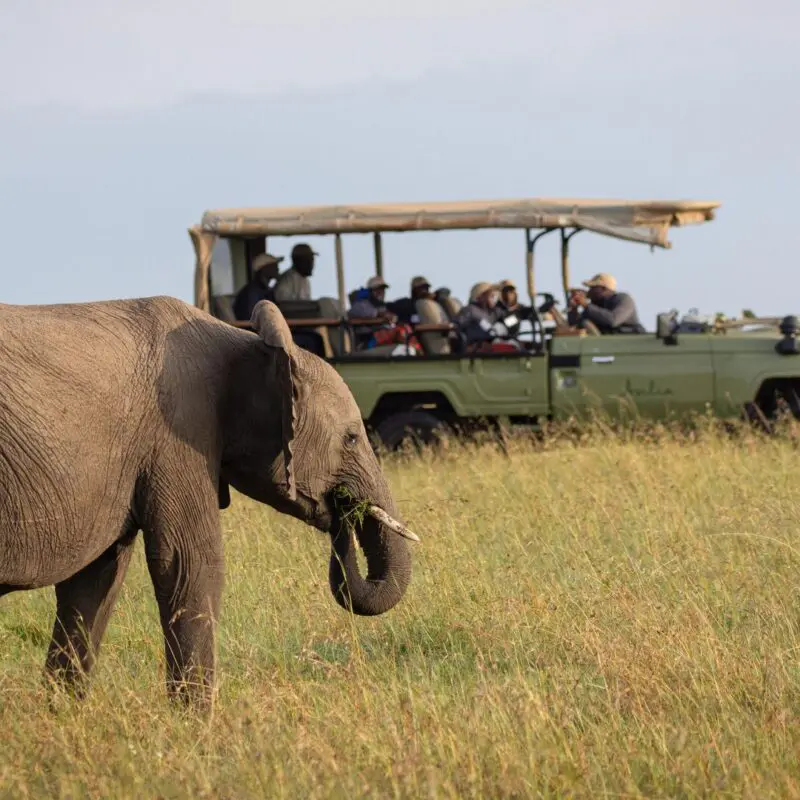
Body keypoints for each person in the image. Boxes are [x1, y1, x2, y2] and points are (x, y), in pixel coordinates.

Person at [348, 276, 420, 353]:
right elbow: (370, 313)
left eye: (382, 289)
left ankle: (418, 352)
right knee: (399, 331)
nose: (381, 292)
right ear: (370, 291)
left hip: (383, 336)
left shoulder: (381, 306)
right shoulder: (360, 305)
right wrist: (383, 316)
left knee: (406, 328)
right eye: (377, 289)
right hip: (367, 341)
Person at [567, 272, 645, 334]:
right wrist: (573, 309)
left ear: (604, 289)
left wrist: (585, 304)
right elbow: (576, 326)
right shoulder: (596, 305)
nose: (589, 291)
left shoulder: (623, 299)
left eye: (593, 288)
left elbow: (613, 320)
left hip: (632, 342)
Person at [455, 281, 516, 349]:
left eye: (495, 295)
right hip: (477, 347)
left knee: (513, 342)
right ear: (480, 296)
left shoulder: (494, 311)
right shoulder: (469, 310)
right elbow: (456, 325)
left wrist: (516, 313)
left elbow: (511, 322)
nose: (495, 297)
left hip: (494, 343)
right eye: (491, 295)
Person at [232, 252, 284, 320]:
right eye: (274, 265)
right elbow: (253, 318)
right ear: (264, 269)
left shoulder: (265, 290)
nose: (277, 268)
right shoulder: (252, 291)